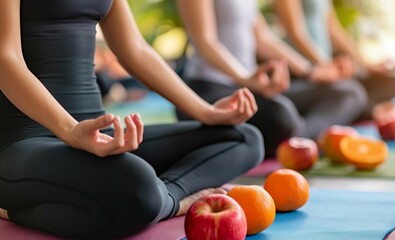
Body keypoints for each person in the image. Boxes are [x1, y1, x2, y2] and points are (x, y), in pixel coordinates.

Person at [0, 0, 263, 238]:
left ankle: (165, 194)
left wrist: (206, 111)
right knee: (138, 188)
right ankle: (169, 200)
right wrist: (70, 130)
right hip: (23, 142)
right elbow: (5, 58)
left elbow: (135, 50)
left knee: (242, 136)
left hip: (97, 135)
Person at [175, 0, 368, 157]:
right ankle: (300, 140)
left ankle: (297, 143)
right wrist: (244, 78)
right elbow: (205, 42)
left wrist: (311, 71)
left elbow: (264, 39)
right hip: (210, 90)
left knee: (349, 92)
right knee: (280, 113)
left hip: (250, 88)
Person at [273, 0, 395, 120]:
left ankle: (360, 107)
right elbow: (295, 32)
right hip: (305, 69)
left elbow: (335, 30)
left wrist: (365, 65)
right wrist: (325, 65)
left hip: (328, 65)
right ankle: (367, 109)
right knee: (352, 91)